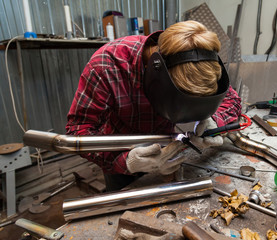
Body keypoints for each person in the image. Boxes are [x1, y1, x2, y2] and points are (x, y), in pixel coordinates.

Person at [66, 20, 242, 191]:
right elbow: (78, 130)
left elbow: (232, 100)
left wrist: (214, 120)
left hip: (167, 153)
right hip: (118, 154)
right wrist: (126, 162)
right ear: (158, 74)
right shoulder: (106, 65)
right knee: (123, 210)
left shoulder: (200, 63)